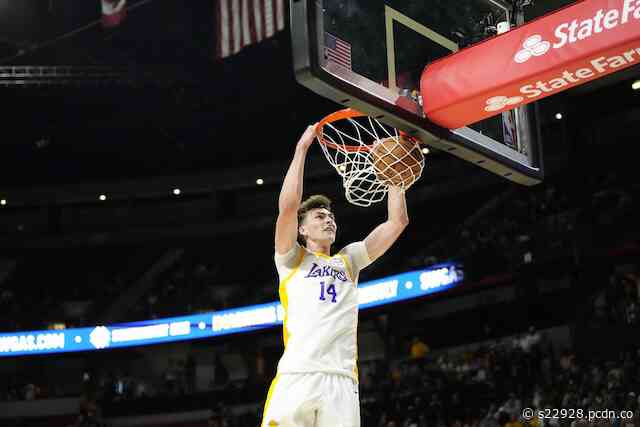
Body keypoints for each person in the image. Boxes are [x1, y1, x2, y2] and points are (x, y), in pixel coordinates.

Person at [261, 124, 410, 427]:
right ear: (302, 229)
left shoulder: (349, 261)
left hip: (342, 381)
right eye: (319, 216)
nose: (328, 220)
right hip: (298, 375)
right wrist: (302, 149)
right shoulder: (291, 259)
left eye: (330, 216)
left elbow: (397, 222)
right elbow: (288, 208)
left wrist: (396, 175)